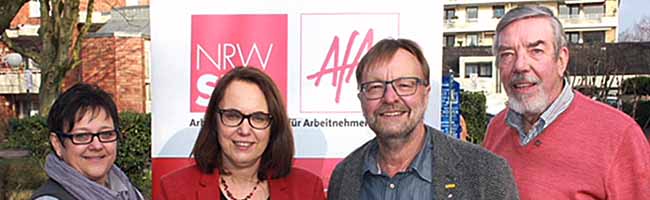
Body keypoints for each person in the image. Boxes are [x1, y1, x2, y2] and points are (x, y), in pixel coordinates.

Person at [483, 6, 650, 199]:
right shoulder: (496, 130)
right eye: (507, 55)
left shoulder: (619, 136)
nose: (520, 65)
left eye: (536, 51)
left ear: (561, 60)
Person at [328, 38, 519, 200]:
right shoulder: (344, 177)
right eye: (375, 87)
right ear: (361, 98)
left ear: (426, 94)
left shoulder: (485, 174)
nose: (389, 97)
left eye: (404, 85)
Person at [160, 67, 325, 200]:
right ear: (214, 121)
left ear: (273, 126)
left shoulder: (309, 190)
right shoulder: (173, 190)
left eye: (258, 118)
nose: (245, 130)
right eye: (232, 116)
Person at [31, 83, 144, 200]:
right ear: (57, 144)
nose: (97, 146)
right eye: (82, 136)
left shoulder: (129, 193)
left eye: (106, 134)